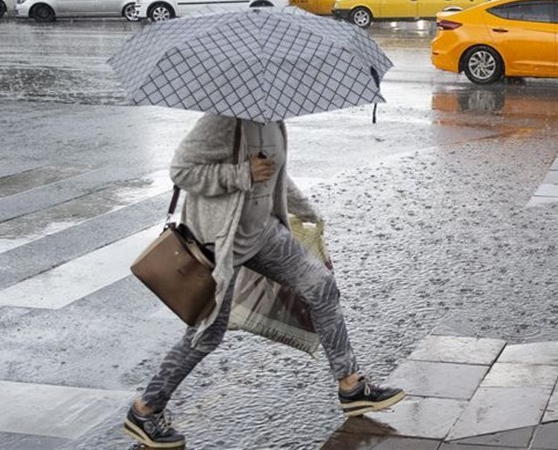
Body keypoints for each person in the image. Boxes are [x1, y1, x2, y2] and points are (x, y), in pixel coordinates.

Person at [122, 114, 405, 448]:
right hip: (221, 243)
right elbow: (182, 171)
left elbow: (276, 178)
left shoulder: (274, 121)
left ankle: (351, 385)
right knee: (207, 334)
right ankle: (145, 409)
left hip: (262, 234)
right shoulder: (224, 121)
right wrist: (242, 174)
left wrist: (310, 212)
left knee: (321, 285)